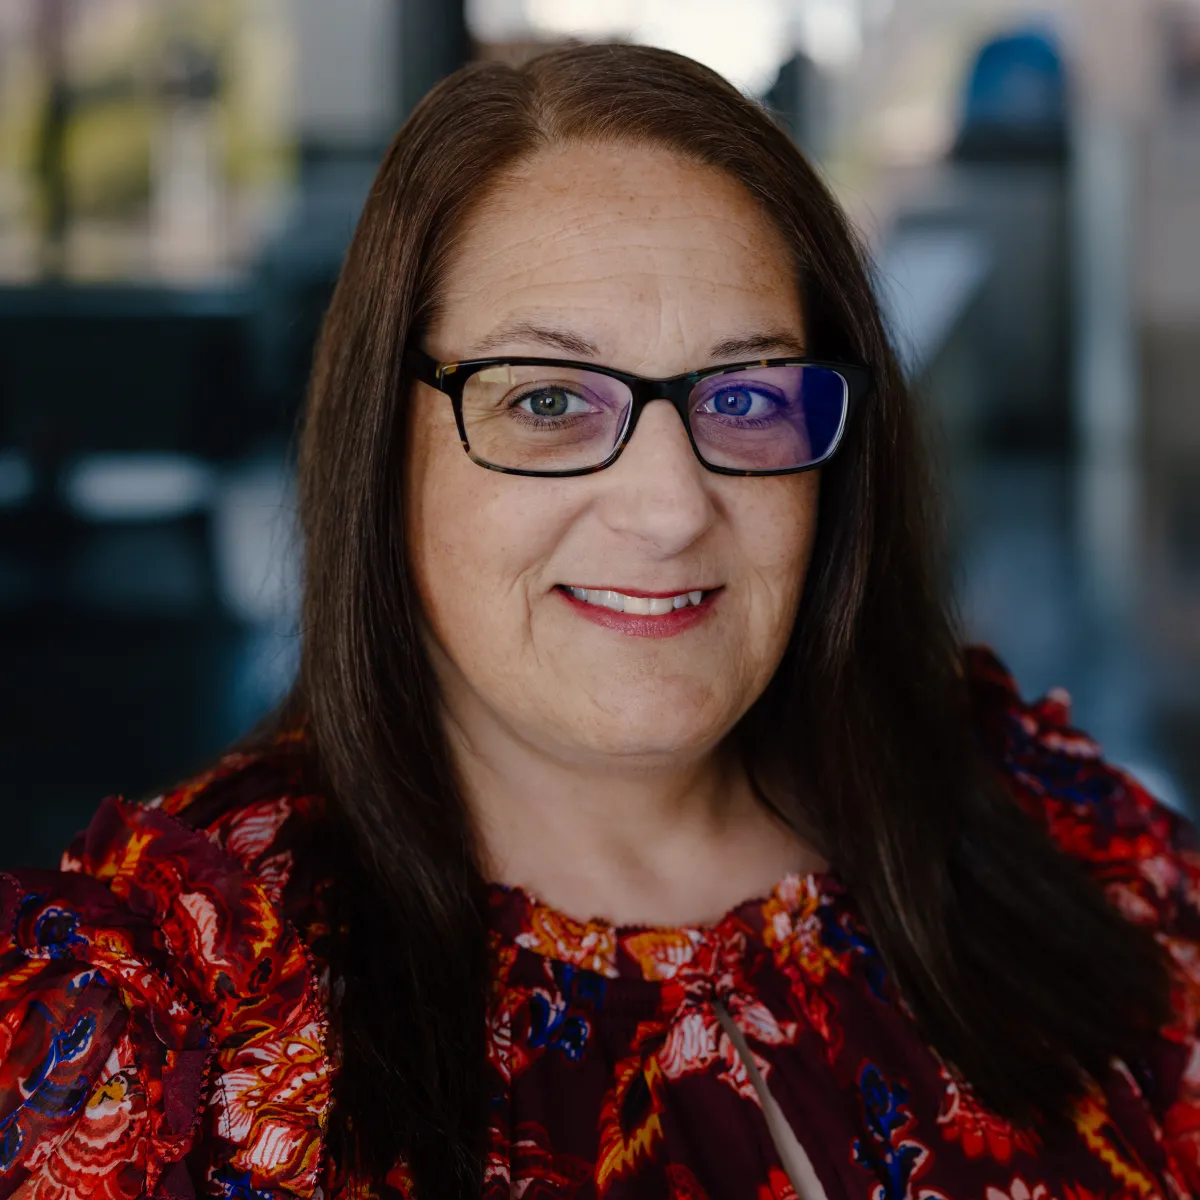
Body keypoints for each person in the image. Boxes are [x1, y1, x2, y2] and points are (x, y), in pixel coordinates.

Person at [0, 43, 1195, 1200]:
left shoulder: (1053, 831)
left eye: (744, 395)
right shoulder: (151, 1022)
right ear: (384, 445)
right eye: (550, 399)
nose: (673, 507)